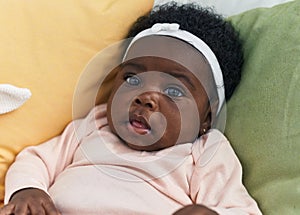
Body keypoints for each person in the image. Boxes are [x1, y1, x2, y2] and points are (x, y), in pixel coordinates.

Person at [0, 3, 262, 215]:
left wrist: (207, 212)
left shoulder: (204, 152)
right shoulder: (95, 125)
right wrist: (28, 191)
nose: (145, 98)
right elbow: (35, 160)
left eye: (173, 91)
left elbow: (241, 209)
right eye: (132, 79)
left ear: (206, 117)